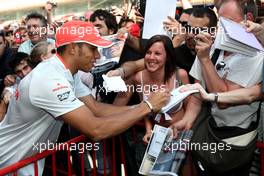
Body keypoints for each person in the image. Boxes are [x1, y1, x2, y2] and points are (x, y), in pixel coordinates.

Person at [0, 20, 170, 175]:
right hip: (7, 162)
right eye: (93, 49)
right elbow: (96, 129)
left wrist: (143, 108)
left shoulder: (66, 71)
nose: (98, 56)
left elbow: (96, 108)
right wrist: (147, 106)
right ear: (73, 48)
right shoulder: (50, 80)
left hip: (22, 160)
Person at [187, 0, 263, 175]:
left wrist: (205, 59)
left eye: (227, 22)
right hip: (210, 132)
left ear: (248, 20)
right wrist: (186, 123)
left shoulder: (257, 56)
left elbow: (223, 99)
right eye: (220, 21)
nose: (221, 28)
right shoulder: (212, 47)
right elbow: (197, 94)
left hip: (234, 143)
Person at [114, 35, 190, 143]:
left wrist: (185, 131)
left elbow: (189, 108)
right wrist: (148, 131)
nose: (151, 57)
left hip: (180, 134)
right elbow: (145, 110)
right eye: (148, 52)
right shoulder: (139, 78)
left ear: (167, 56)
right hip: (158, 135)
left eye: (157, 53)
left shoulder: (180, 75)